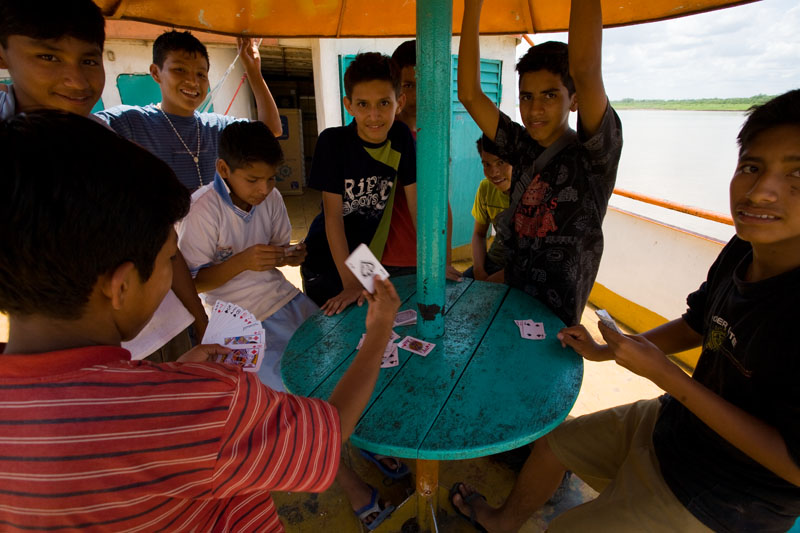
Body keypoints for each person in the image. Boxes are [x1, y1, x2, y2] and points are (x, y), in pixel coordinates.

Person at [0, 110, 401, 532]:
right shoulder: (209, 404)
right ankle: (356, 484)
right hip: (248, 323)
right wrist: (378, 331)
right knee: (307, 388)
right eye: (168, 259)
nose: (174, 273)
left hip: (279, 300)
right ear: (120, 287)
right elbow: (323, 432)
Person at [451, 89, 800, 532]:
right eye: (751, 167)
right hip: (678, 425)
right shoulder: (743, 248)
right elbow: (699, 322)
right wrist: (604, 351)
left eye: (796, 174)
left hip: (729, 498)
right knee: (554, 445)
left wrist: (666, 375)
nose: (762, 192)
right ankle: (504, 521)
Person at [0, 0, 209, 361]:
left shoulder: (108, 143)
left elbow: (162, 242)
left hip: (158, 329)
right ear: (4, 53)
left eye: (89, 61)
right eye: (48, 57)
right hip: (61, 362)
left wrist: (199, 315)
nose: (76, 80)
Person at [457, 0, 623, 327]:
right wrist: (472, 6)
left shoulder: (594, 156)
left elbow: (586, 70)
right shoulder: (520, 146)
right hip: (508, 299)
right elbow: (470, 95)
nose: (534, 110)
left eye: (550, 95)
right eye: (526, 96)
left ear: (574, 99)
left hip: (556, 320)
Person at [178, 121, 316, 392]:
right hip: (237, 317)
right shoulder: (202, 210)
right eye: (253, 180)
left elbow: (279, 250)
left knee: (329, 355)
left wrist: (290, 256)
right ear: (224, 170)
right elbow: (192, 283)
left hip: (283, 297)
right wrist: (241, 262)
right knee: (284, 388)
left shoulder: (271, 198)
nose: (263, 189)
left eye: (271, 178)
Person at [301, 52, 416, 315]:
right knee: (334, 338)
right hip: (325, 259)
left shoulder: (400, 138)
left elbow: (416, 203)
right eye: (363, 104)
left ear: (399, 102)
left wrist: (436, 263)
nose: (374, 115)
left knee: (383, 327)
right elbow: (333, 218)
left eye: (384, 103)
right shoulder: (332, 143)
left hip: (364, 259)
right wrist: (350, 284)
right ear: (349, 105)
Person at [95, 29, 282, 191]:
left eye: (201, 74)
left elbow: (271, 130)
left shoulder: (216, 127)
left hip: (211, 231)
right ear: (155, 72)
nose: (193, 81)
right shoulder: (131, 123)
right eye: (180, 70)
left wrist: (253, 71)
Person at [385, 39, 462, 280]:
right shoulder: (377, 135)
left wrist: (445, 258)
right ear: (395, 87)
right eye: (408, 84)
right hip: (385, 262)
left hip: (429, 260)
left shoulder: (434, 136)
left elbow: (441, 203)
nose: (418, 95)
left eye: (425, 84)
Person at [0, 0, 104, 119]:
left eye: (88, 62)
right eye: (49, 58)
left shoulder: (103, 133)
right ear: (1, 57)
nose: (78, 84)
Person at [463, 135, 512, 280]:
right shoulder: (486, 188)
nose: (494, 173)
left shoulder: (533, 193)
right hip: (492, 263)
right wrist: (479, 269)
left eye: (501, 162)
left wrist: (492, 281)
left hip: (521, 271)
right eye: (486, 165)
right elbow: (479, 234)